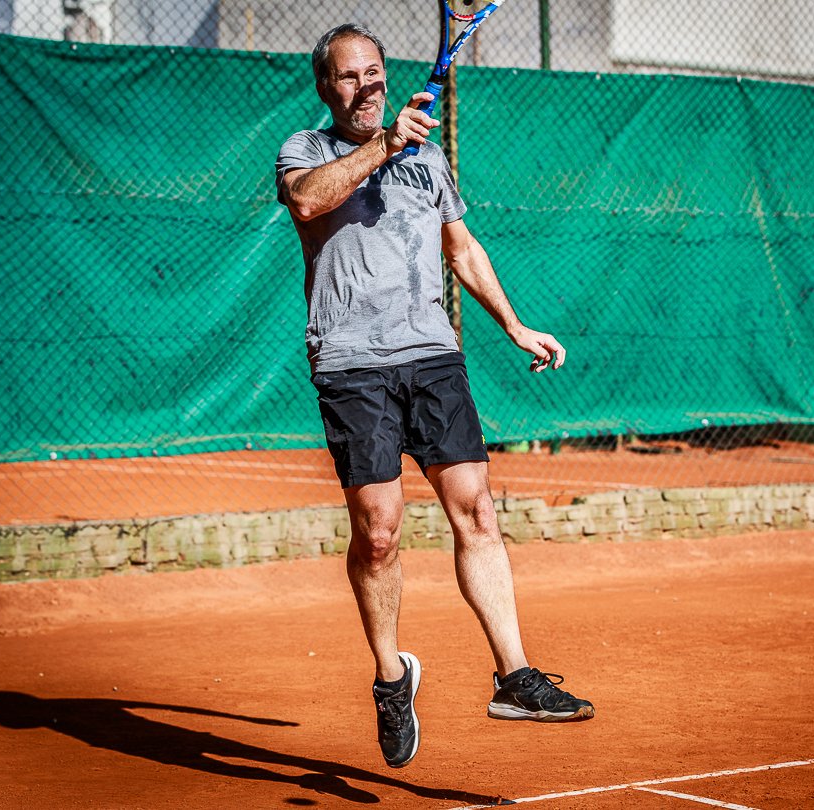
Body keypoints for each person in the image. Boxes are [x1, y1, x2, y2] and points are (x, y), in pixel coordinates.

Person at [274, 23, 594, 769]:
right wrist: (384, 146)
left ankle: (514, 675)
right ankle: (392, 679)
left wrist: (513, 325)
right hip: (352, 363)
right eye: (350, 77)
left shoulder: (429, 159)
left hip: (432, 354)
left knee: (476, 508)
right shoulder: (306, 150)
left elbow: (462, 248)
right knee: (379, 533)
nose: (367, 86)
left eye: (375, 73)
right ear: (327, 87)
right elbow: (306, 204)